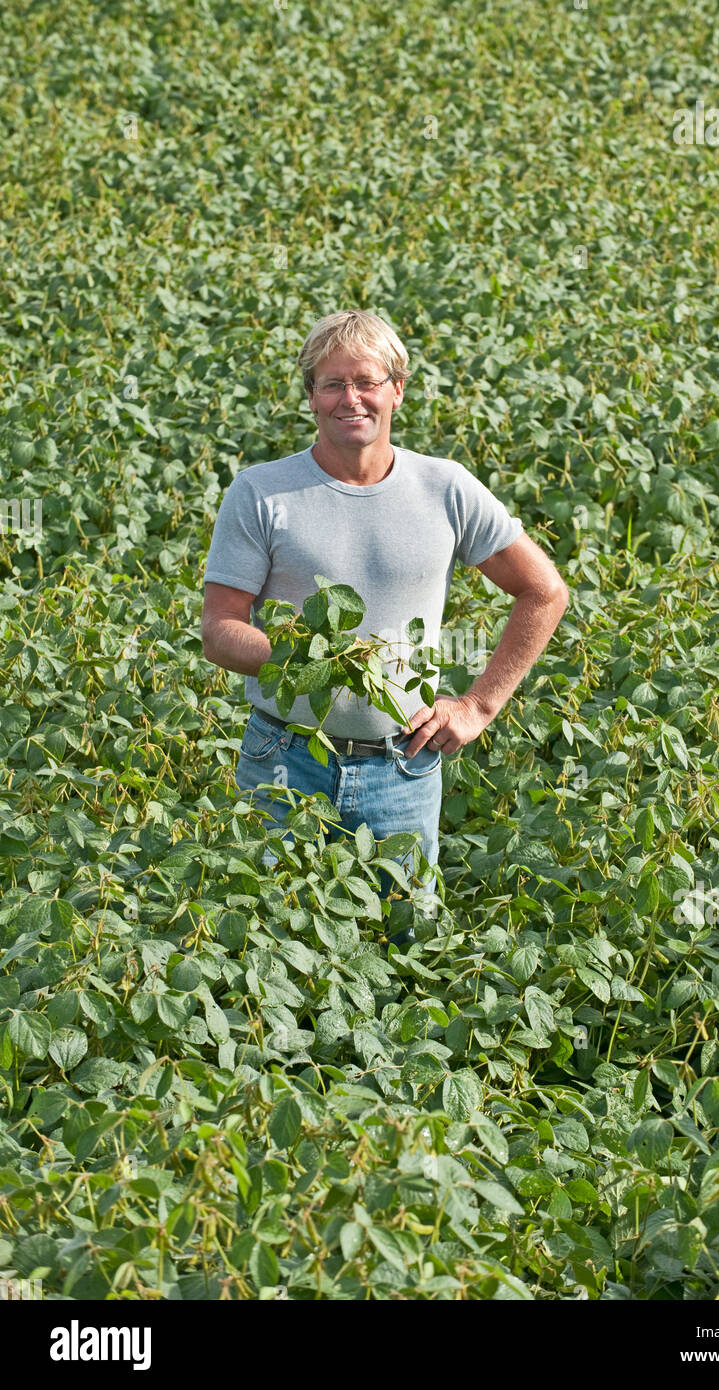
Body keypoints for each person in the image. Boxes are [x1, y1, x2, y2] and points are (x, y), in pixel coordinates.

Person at [201, 309, 569, 945]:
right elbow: (220, 630)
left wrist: (479, 704)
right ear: (310, 396)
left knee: (400, 951)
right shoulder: (262, 493)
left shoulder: (445, 488)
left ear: (398, 388)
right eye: (331, 384)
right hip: (285, 762)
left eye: (367, 382)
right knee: (267, 949)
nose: (351, 399)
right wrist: (315, 659)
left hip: (403, 768)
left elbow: (544, 591)